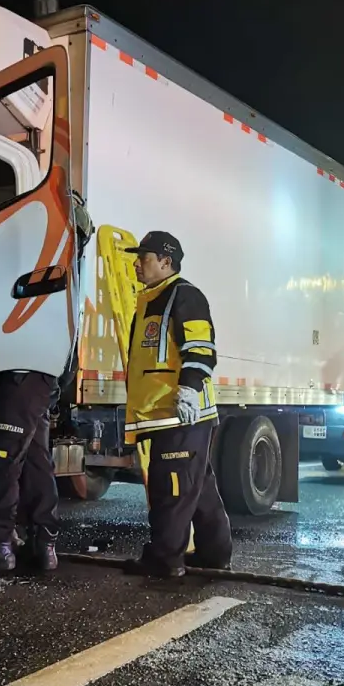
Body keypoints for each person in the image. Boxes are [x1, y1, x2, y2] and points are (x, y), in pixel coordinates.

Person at [120, 231, 231, 578]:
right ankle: (214, 554)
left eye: (145, 257)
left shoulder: (184, 296)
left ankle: (165, 559)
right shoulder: (151, 299)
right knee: (197, 489)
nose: (138, 263)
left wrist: (189, 390)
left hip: (182, 412)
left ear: (166, 262)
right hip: (169, 414)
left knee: (171, 488)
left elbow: (200, 349)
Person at [0, 372, 61, 574]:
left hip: (19, 375)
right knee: (35, 459)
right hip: (41, 378)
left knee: (3, 462)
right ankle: (43, 545)